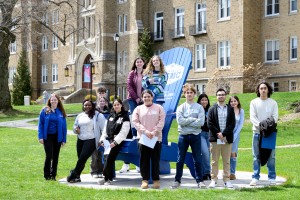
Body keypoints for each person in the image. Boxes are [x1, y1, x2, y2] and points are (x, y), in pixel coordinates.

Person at [171, 84, 206, 189]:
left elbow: (201, 122)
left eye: (191, 92)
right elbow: (180, 122)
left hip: (195, 136)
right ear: (184, 94)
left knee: (197, 159)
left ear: (194, 94)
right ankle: (177, 180)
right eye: (187, 92)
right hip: (183, 136)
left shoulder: (199, 107)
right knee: (180, 159)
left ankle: (200, 181)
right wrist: (192, 119)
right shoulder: (180, 107)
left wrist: (187, 120)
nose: (189, 94)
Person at [132, 89, 166, 189]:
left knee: (155, 160)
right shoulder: (138, 109)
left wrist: (154, 132)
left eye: (148, 96)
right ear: (142, 98)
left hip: (156, 138)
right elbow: (135, 122)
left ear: (152, 97)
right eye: (145, 97)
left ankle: (156, 180)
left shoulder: (159, 108)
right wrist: (145, 132)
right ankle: (145, 180)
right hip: (143, 138)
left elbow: (161, 121)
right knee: (144, 160)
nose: (147, 98)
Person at [67, 99, 106, 183]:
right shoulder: (80, 115)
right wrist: (76, 129)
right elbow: (75, 127)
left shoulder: (98, 115)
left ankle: (73, 173)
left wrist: (102, 140)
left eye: (89, 105)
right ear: (83, 106)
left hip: (91, 139)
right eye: (85, 105)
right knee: (81, 159)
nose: (87, 107)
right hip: (80, 139)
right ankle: (77, 177)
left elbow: (104, 129)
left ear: (92, 106)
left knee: (83, 158)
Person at [119, 57, 146, 173]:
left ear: (143, 63)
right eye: (137, 61)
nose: (139, 63)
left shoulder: (146, 73)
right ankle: (128, 162)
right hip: (133, 100)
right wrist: (136, 98)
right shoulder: (132, 73)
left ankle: (139, 162)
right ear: (135, 64)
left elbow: (148, 86)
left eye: (141, 61)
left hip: (144, 99)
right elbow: (129, 87)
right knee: (134, 124)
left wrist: (143, 98)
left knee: (142, 122)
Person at [249, 82, 278, 186]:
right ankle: (255, 177)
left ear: (268, 90)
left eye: (265, 88)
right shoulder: (254, 102)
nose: (263, 90)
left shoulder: (273, 103)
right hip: (257, 133)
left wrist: (266, 128)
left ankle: (272, 177)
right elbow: (253, 117)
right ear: (258, 90)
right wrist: (262, 127)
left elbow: (275, 118)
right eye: (261, 88)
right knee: (256, 156)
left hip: (270, 134)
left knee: (271, 156)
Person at [97, 99, 132, 185]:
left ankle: (106, 178)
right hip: (108, 141)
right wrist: (102, 139)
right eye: (114, 105)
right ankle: (107, 178)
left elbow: (124, 132)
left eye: (118, 104)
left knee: (110, 158)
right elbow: (105, 129)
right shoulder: (110, 116)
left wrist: (115, 142)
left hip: (118, 142)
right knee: (105, 157)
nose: (116, 106)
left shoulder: (125, 116)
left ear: (121, 105)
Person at [207, 88, 235, 188]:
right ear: (216, 96)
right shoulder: (212, 109)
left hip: (226, 139)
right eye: (219, 95)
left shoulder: (230, 109)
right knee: (214, 160)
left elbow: (232, 124)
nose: (221, 96)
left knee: (226, 160)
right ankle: (213, 180)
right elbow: (209, 123)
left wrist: (224, 134)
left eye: (223, 94)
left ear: (225, 96)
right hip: (215, 139)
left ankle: (227, 180)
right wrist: (218, 133)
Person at [38, 94, 67, 181]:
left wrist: (64, 139)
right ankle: (47, 175)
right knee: (49, 155)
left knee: (55, 157)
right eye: (52, 100)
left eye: (55, 100)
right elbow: (40, 125)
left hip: (58, 137)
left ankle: (53, 175)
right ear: (49, 101)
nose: (53, 101)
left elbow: (64, 128)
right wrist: (40, 137)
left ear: (58, 101)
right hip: (47, 137)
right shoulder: (45, 111)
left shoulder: (61, 112)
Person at [90, 88, 111, 178]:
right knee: (95, 153)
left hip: (105, 133)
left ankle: (102, 170)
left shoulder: (109, 106)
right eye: (100, 93)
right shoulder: (93, 107)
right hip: (95, 133)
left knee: (103, 153)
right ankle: (94, 171)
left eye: (103, 93)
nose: (102, 95)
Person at [228, 96, 244, 180]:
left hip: (236, 135)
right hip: (227, 135)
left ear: (238, 102)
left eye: (235, 101)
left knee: (233, 153)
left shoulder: (241, 111)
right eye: (231, 101)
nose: (233, 103)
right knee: (226, 153)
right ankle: (226, 172)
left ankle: (232, 173)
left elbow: (240, 124)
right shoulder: (228, 110)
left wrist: (234, 136)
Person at [197, 93, 211, 181]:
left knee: (208, 154)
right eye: (202, 100)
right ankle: (206, 172)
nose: (204, 101)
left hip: (209, 134)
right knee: (205, 152)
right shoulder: (197, 109)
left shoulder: (210, 110)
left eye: (206, 100)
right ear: (199, 101)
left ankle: (206, 173)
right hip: (201, 133)